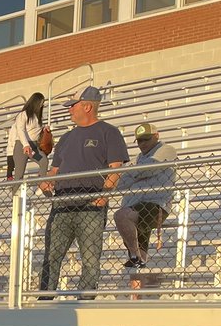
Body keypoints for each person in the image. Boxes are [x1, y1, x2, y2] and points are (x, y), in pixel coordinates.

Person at [39, 86, 129, 296]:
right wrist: (45, 182)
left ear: (87, 106)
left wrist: (103, 196)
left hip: (90, 203)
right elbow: (55, 171)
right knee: (51, 255)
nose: (69, 110)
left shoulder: (109, 132)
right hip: (62, 204)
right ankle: (44, 299)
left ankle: (85, 300)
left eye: (73, 105)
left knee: (90, 258)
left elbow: (116, 169)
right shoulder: (66, 138)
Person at [114, 123, 178, 269]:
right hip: (136, 204)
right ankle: (138, 260)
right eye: (139, 141)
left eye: (146, 140)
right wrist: (136, 172)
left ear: (156, 136)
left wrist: (132, 173)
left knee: (122, 216)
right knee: (125, 218)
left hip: (155, 204)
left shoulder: (166, 150)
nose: (142, 144)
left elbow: (149, 168)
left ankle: (135, 256)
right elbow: (121, 182)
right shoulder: (139, 158)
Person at [5, 93, 49, 182]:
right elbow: (21, 130)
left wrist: (44, 129)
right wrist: (25, 145)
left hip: (33, 146)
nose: (42, 105)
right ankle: (15, 195)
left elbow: (35, 132)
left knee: (43, 161)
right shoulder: (23, 115)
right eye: (41, 102)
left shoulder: (38, 117)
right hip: (22, 146)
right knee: (19, 174)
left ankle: (42, 184)